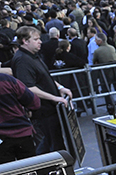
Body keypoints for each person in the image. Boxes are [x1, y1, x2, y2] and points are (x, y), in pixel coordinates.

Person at [11, 26, 71, 155]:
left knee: (54, 143)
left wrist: (60, 88)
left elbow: (44, 76)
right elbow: (29, 87)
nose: (40, 41)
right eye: (36, 39)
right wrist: (54, 97)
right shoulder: (22, 60)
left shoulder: (34, 56)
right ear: (25, 41)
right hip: (42, 112)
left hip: (50, 109)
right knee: (50, 146)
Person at [0, 71, 40, 163]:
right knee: (30, 171)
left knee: (7, 174)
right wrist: (27, 109)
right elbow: (34, 102)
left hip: (2, 140)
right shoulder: (8, 80)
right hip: (22, 132)